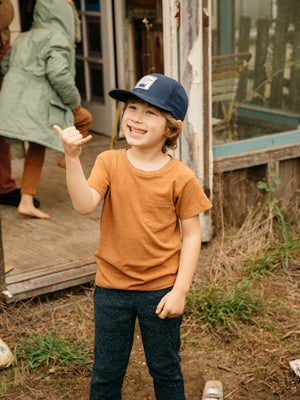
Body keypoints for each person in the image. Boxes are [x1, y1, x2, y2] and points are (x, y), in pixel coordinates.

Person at [55, 73, 212, 399]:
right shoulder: (108, 161)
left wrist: (180, 290)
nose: (136, 118)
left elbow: (193, 236)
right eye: (131, 108)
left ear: (172, 128)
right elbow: (84, 205)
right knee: (106, 372)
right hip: (111, 290)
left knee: (165, 369)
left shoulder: (181, 177)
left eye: (150, 112)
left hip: (160, 290)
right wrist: (72, 159)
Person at [0, 0, 92, 219]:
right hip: (43, 103)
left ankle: (26, 199)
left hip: (21, 103)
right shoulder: (58, 39)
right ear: (65, 17)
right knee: (83, 117)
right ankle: (67, 156)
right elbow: (58, 74)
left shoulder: (23, 37)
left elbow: (5, 66)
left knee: (37, 146)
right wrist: (73, 101)